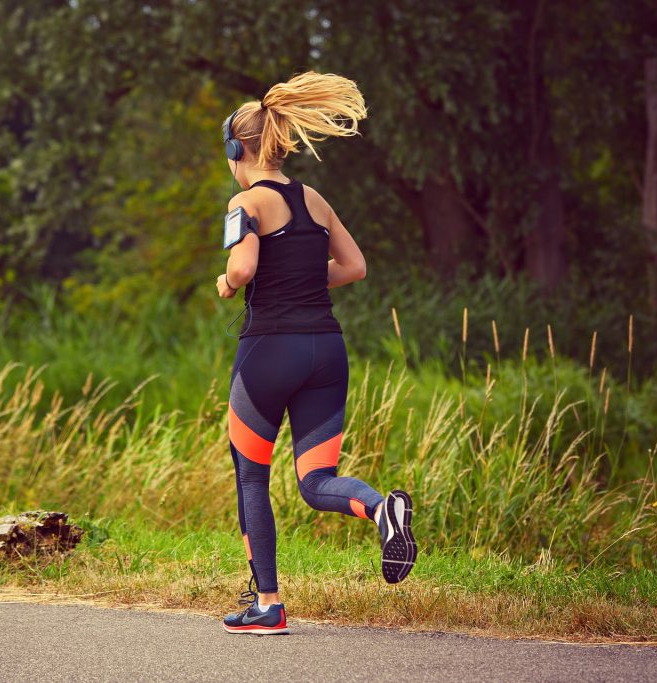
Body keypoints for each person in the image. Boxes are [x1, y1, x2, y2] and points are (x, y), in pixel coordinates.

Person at [215, 71, 416, 636]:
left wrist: (231, 283)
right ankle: (381, 509)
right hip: (326, 352)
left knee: (251, 477)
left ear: (239, 148)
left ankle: (269, 605)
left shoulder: (245, 201)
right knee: (316, 480)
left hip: (269, 354)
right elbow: (355, 267)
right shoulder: (314, 198)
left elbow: (245, 266)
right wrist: (300, 277)